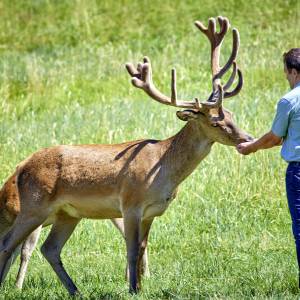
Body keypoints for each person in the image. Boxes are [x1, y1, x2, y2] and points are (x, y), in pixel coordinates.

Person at [237, 48, 300, 286]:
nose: (285, 76)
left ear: (294, 72)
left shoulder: (289, 100)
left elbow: (275, 137)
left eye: (286, 72)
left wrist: (251, 147)